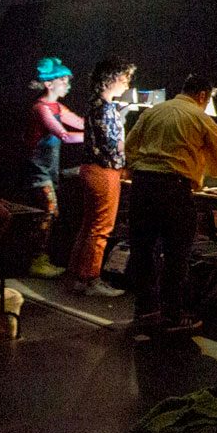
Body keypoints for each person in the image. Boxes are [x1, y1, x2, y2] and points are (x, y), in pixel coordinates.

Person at [122, 74, 217, 332]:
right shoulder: (200, 118)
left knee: (143, 250)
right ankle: (173, 313)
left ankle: (146, 309)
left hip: (142, 186)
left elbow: (130, 146)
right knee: (177, 253)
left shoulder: (153, 112)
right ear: (203, 96)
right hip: (174, 189)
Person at [68, 57, 136, 299]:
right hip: (104, 172)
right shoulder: (106, 108)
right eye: (126, 79)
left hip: (90, 169)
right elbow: (112, 145)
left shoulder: (96, 104)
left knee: (89, 225)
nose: (127, 86)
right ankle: (90, 279)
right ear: (114, 78)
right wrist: (130, 154)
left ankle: (77, 276)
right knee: (101, 228)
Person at [25, 57, 84, 278]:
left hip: (48, 170)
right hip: (37, 171)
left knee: (49, 213)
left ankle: (40, 258)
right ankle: (36, 260)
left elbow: (80, 123)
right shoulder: (41, 108)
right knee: (48, 213)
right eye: (63, 80)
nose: (67, 84)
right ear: (49, 84)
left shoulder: (57, 106)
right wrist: (96, 136)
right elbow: (65, 135)